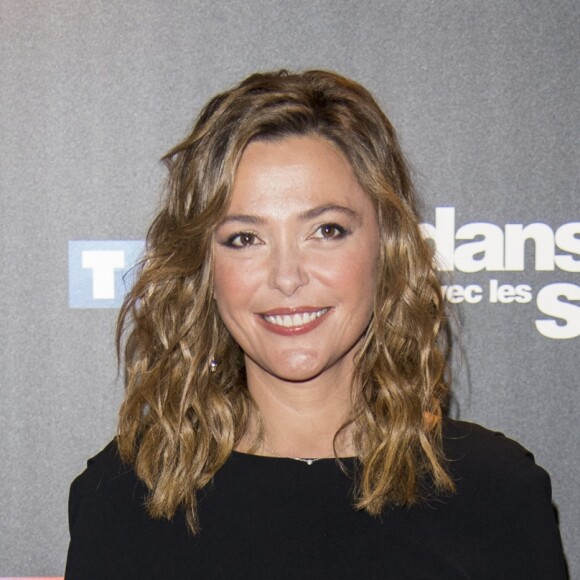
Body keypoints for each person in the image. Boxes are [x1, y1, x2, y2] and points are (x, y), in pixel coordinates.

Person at [65, 70, 567, 579]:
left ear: (387, 246)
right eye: (244, 238)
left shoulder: (494, 489)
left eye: (326, 231)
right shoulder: (128, 492)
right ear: (203, 267)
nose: (287, 277)